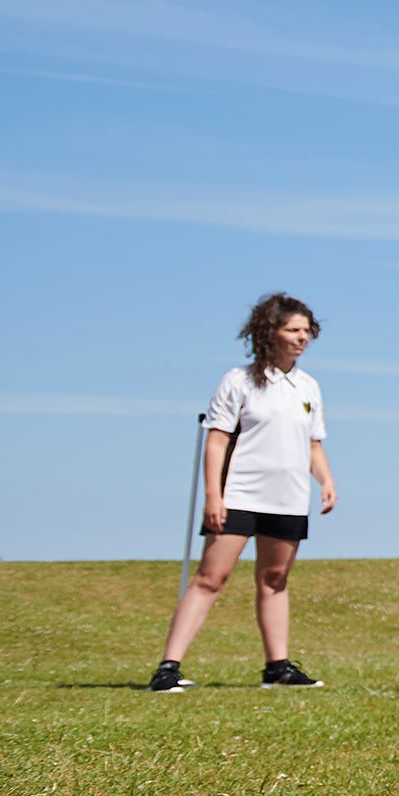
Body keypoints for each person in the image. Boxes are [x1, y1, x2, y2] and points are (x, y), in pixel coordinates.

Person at [152, 295, 335, 691]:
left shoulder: (308, 386)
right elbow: (216, 441)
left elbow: (313, 444)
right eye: (293, 330)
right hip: (238, 495)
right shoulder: (237, 381)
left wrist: (327, 481)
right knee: (210, 579)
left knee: (274, 579)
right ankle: (167, 668)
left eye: (307, 330)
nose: (302, 337)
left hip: (287, 497)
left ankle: (278, 668)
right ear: (270, 333)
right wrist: (213, 496)